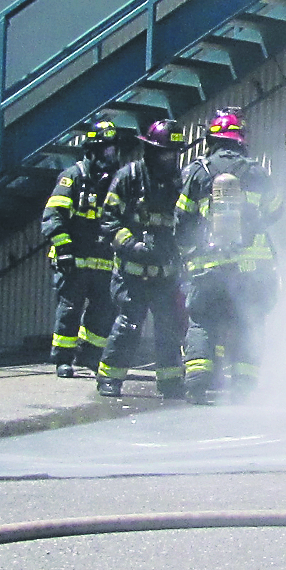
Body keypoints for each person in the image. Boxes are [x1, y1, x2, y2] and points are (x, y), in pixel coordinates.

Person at [175, 108, 280, 404]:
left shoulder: (197, 172)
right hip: (250, 271)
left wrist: (185, 253)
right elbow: (277, 210)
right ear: (240, 140)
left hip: (208, 268)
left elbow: (181, 219)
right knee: (248, 322)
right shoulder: (257, 172)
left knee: (202, 321)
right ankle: (243, 388)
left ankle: (197, 382)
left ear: (212, 140)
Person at [97, 120, 190, 400]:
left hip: (166, 274)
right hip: (131, 273)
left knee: (168, 329)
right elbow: (108, 220)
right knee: (129, 326)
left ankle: (171, 383)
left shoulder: (180, 181)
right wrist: (133, 246)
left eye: (174, 153)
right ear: (150, 151)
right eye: (164, 153)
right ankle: (109, 379)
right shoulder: (128, 177)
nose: (169, 159)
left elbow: (187, 223)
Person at [43, 119, 120, 378]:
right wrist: (63, 250)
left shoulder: (116, 181)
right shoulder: (72, 178)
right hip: (72, 260)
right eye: (106, 150)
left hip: (103, 261)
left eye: (113, 150)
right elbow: (53, 216)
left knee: (104, 310)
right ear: (92, 151)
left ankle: (90, 356)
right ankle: (63, 359)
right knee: (70, 309)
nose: (111, 156)